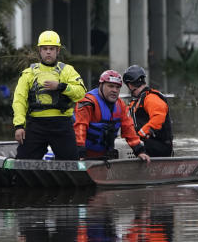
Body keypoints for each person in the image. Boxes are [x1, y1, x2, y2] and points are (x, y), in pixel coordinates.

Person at [12, 30, 86, 160]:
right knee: (23, 162)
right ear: (39, 51)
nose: (48, 52)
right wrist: (19, 126)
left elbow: (81, 94)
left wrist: (61, 87)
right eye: (45, 49)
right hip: (36, 125)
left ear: (58, 51)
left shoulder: (68, 71)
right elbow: (19, 100)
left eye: (52, 49)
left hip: (62, 124)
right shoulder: (29, 73)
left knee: (71, 163)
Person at [74, 70, 150, 162]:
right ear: (101, 85)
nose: (114, 90)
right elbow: (80, 127)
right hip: (84, 155)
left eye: (117, 87)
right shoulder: (87, 102)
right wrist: (80, 152)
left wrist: (139, 151)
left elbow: (128, 128)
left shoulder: (120, 104)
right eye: (110, 86)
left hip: (105, 155)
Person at [123, 64, 174, 157]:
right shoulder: (138, 101)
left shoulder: (151, 98)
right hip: (147, 144)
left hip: (159, 147)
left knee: (125, 146)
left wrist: (141, 134)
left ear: (129, 85)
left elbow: (158, 118)